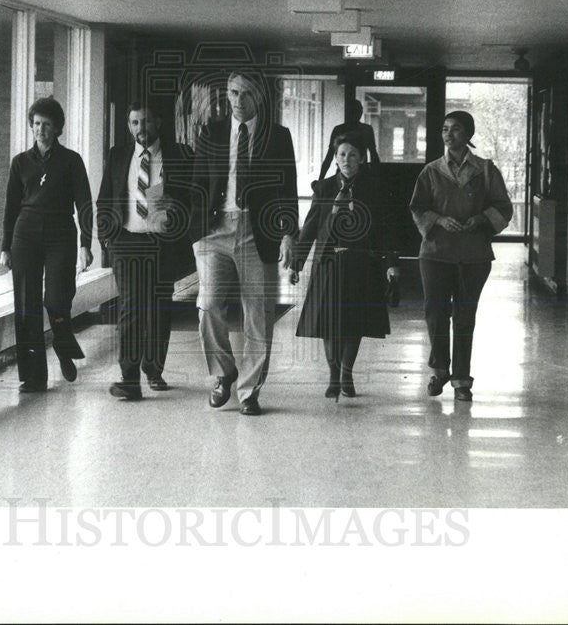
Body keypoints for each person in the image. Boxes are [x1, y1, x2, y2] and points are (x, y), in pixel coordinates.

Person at [188, 70, 299, 415]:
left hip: (257, 231)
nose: (238, 101)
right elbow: (197, 183)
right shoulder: (212, 132)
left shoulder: (277, 137)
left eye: (245, 94)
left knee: (258, 314)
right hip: (214, 230)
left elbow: (287, 189)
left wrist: (288, 234)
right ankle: (224, 373)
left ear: (259, 98)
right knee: (208, 306)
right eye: (233, 93)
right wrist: (196, 232)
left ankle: (249, 391)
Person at [409, 110, 513, 402]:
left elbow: (503, 207)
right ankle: (440, 369)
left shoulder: (485, 170)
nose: (448, 134)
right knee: (436, 313)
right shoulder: (431, 171)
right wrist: (439, 220)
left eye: (455, 129)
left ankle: (461, 380)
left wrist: (480, 219)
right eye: (444, 129)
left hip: (473, 255)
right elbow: (417, 207)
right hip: (435, 253)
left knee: (465, 315)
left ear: (468, 134)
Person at [291, 132, 399, 399]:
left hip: (362, 263)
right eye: (341, 155)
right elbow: (311, 226)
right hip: (329, 262)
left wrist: (391, 263)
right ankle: (332, 376)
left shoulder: (375, 188)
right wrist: (297, 263)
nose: (347, 159)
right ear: (335, 159)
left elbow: (385, 230)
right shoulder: (325, 188)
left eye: (352, 155)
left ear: (362, 158)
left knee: (354, 323)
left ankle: (347, 374)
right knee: (329, 322)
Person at [97, 102, 194, 400]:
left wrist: (177, 211)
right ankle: (128, 377)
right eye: (135, 122)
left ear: (158, 123)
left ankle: (154, 370)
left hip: (162, 242)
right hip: (126, 240)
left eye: (147, 121)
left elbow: (192, 198)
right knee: (130, 307)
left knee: (157, 308)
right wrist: (106, 238)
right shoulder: (118, 155)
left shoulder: (178, 155)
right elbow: (105, 197)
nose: (141, 128)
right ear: (129, 126)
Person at [0, 98, 93, 393]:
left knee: (56, 297)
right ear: (31, 126)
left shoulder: (71, 161)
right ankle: (34, 376)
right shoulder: (20, 163)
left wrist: (86, 244)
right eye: (37, 124)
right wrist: (5, 246)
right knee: (27, 304)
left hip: (60, 234)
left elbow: (85, 204)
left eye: (47, 124)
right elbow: (10, 207)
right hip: (24, 235)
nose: (41, 130)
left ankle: (64, 347)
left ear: (57, 128)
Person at [315, 99, 379, 186]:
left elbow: (374, 154)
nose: (358, 113)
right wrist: (320, 180)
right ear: (349, 112)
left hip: (360, 173)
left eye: (360, 111)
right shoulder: (363, 129)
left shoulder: (365, 129)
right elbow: (329, 156)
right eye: (356, 111)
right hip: (346, 172)